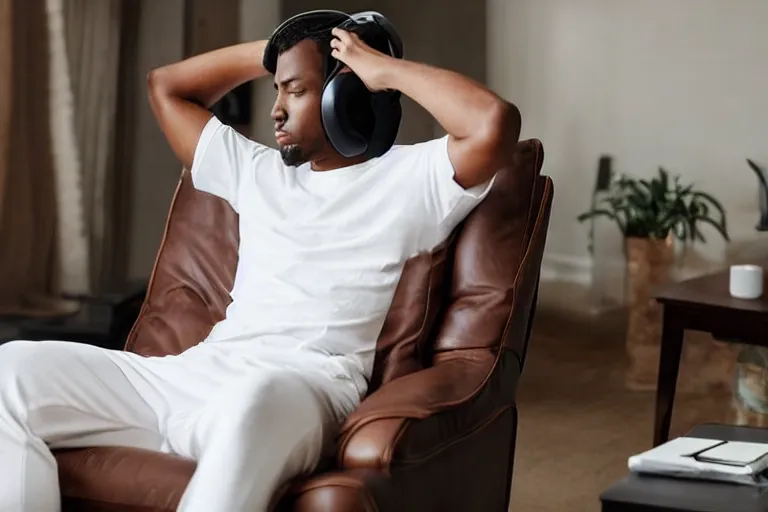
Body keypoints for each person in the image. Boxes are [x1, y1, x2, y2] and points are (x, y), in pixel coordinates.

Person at [0, 14, 519, 512]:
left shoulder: (413, 177)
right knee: (10, 371)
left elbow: (494, 123)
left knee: (255, 401)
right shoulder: (256, 170)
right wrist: (279, 51)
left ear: (347, 92)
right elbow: (167, 87)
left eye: (294, 91)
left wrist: (381, 70)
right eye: (277, 89)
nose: (276, 110)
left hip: (298, 388)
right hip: (192, 376)